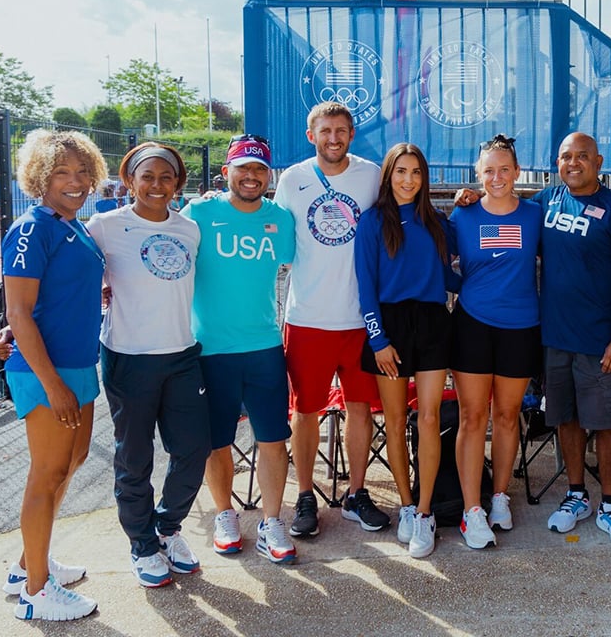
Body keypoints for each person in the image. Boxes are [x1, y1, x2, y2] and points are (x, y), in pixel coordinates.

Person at [86, 143, 210, 588]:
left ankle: (167, 527)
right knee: (134, 457)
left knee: (194, 449)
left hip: (181, 355)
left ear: (178, 183)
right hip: (128, 358)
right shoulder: (104, 227)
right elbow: (75, 276)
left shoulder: (190, 230)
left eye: (166, 177)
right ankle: (142, 544)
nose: (157, 185)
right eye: (148, 176)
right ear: (129, 180)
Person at [1, 128, 107, 621]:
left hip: (79, 363)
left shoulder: (73, 225)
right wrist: (52, 383)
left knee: (73, 460)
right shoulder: (31, 228)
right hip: (49, 371)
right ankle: (36, 593)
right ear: (39, 176)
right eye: (62, 171)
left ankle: (29, 565)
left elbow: (57, 293)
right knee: (47, 473)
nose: (76, 180)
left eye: (83, 171)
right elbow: (19, 314)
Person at [181, 135, 298, 564]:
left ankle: (271, 523)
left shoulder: (280, 219)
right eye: (242, 168)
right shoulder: (199, 213)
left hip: (265, 345)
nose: (251, 176)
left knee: (272, 438)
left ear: (269, 176)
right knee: (218, 442)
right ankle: (225, 515)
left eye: (259, 169)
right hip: (210, 349)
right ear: (226, 172)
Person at [274, 102, 388, 539]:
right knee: (305, 410)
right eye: (326, 131)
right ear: (311, 135)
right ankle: (306, 495)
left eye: (342, 130)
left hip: (361, 317)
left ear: (352, 134)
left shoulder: (370, 174)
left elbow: (401, 212)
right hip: (307, 317)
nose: (334, 138)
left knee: (361, 409)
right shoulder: (293, 179)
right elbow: (269, 225)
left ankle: (357, 493)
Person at [534, 133, 611, 548]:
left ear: (599, 161)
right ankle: (577, 496)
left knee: (607, 424)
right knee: (567, 419)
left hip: (602, 342)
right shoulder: (546, 201)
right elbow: (505, 208)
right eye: (566, 156)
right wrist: (470, 199)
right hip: (556, 338)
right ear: (557, 162)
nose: (574, 163)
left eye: (583, 156)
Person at [354, 143, 456, 558]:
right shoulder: (373, 221)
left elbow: (454, 273)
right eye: (401, 171)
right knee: (395, 421)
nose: (408, 180)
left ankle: (427, 511)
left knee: (428, 417)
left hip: (432, 322)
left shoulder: (438, 222)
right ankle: (407, 505)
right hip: (390, 326)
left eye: (416, 172)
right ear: (388, 175)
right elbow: (365, 285)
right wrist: (378, 340)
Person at [449, 135, 542, 549]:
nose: (497, 177)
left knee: (506, 416)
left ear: (517, 172)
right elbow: (435, 260)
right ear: (477, 173)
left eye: (505, 169)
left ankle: (500, 496)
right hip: (472, 324)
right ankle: (472, 510)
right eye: (489, 170)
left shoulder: (536, 215)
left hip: (521, 326)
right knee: (472, 418)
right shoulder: (462, 215)